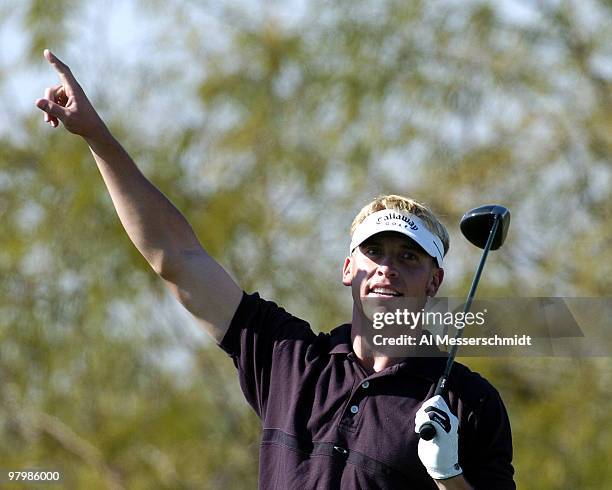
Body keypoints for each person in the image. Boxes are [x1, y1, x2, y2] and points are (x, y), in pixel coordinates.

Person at [35, 50, 515, 490]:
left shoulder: (468, 405)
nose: (387, 269)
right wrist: (97, 137)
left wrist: (450, 476)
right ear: (348, 268)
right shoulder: (290, 361)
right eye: (374, 252)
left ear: (434, 282)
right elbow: (177, 258)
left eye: (408, 257)